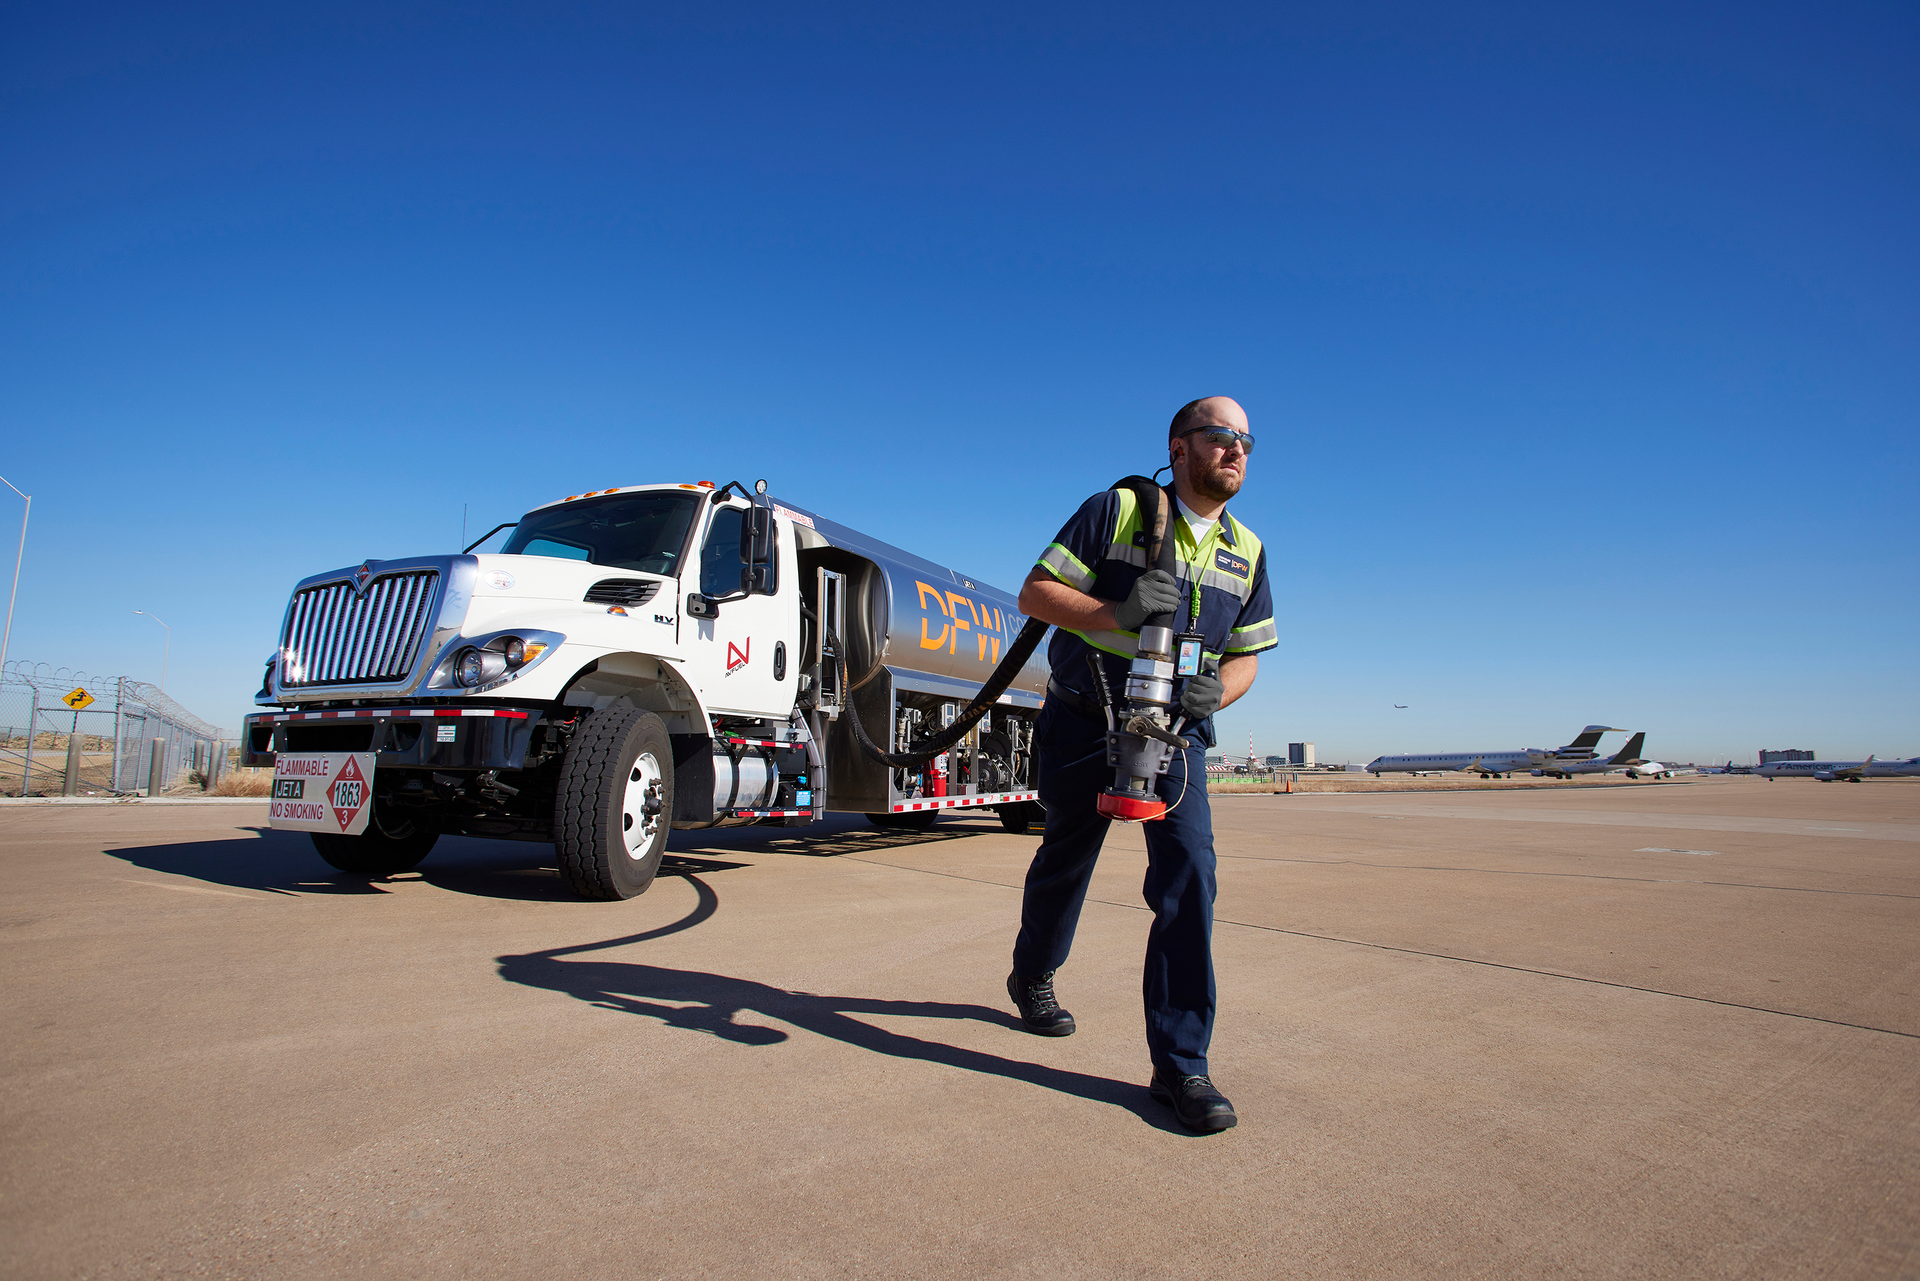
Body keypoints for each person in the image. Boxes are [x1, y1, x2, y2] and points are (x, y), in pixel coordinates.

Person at [1007, 396, 1276, 1133]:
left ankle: (1182, 1064)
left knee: (1191, 873)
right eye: (1221, 437)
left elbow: (1248, 653)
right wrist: (1114, 615)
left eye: (1246, 441)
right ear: (1179, 446)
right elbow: (1035, 592)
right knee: (1067, 855)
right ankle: (1032, 971)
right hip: (1086, 714)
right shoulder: (1117, 510)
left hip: (1176, 731)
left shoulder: (1246, 549)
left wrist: (1218, 686)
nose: (1237, 451)